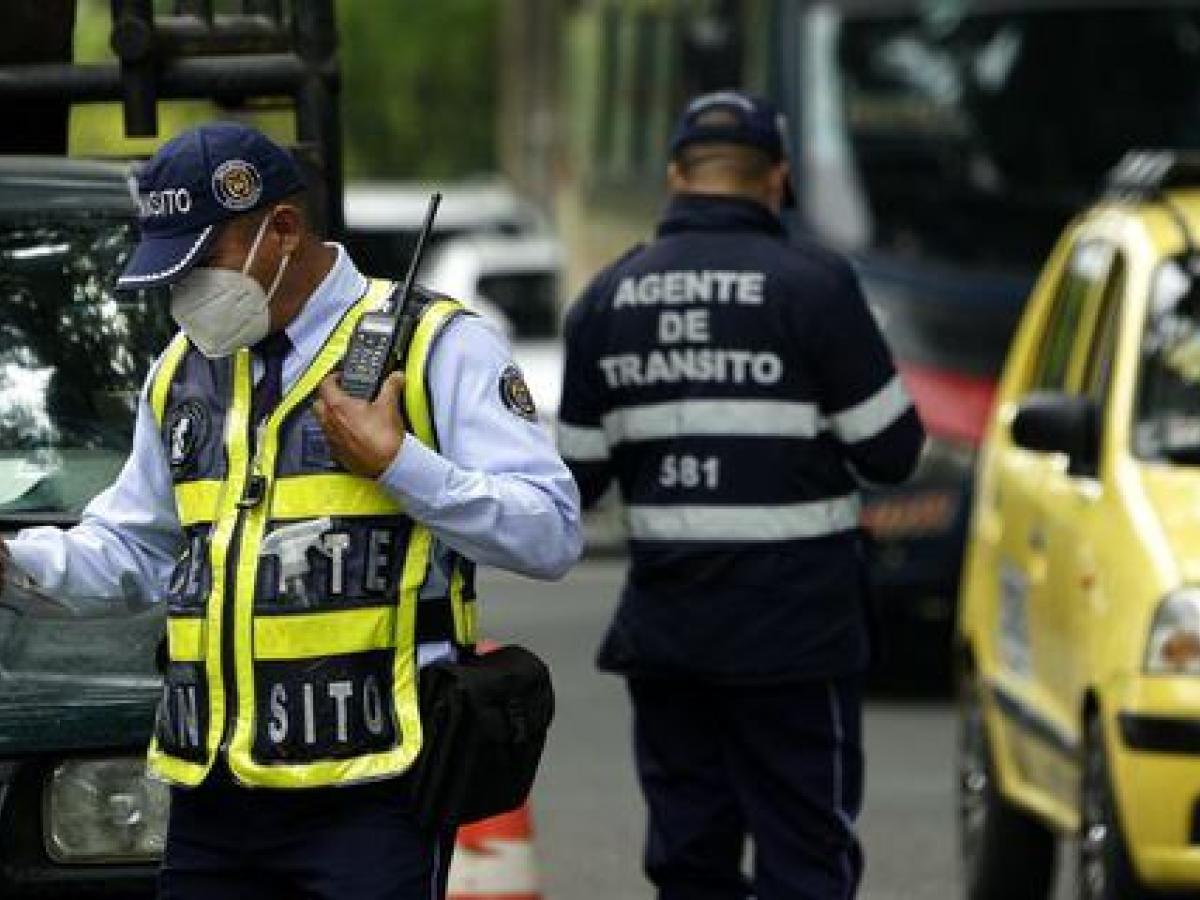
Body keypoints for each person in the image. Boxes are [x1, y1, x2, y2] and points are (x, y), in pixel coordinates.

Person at [0, 122, 582, 899]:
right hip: (213, 792)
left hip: (370, 793)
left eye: (201, 264)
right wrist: (13, 564)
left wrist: (398, 464)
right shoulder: (182, 371)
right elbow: (135, 548)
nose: (186, 295)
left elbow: (550, 531)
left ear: (281, 231)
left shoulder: (436, 344)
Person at [557, 90, 925, 899]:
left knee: (690, 858)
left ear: (674, 176)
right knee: (806, 854)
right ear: (778, 179)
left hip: (671, 633)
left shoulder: (607, 301)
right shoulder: (817, 286)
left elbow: (574, 482)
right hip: (798, 634)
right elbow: (894, 453)